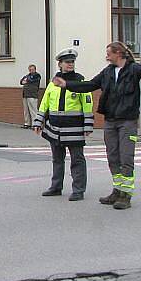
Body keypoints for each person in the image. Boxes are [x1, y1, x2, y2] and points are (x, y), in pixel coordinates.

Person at [53, 41, 141, 210]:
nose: (106, 56)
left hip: (127, 121)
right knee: (113, 157)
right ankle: (117, 191)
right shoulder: (108, 72)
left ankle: (125, 196)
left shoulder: (132, 69)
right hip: (110, 121)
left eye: (109, 53)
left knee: (126, 158)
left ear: (118, 54)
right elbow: (90, 85)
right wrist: (67, 85)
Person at [33, 49, 94, 201]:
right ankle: (56, 187)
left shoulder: (80, 81)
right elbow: (45, 103)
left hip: (74, 128)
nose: (70, 64)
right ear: (60, 64)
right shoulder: (53, 83)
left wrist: (88, 125)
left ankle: (78, 190)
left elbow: (87, 103)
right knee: (57, 159)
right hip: (55, 128)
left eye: (72, 62)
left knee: (77, 160)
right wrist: (38, 121)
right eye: (67, 62)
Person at [19, 64, 42, 129]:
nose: (31, 71)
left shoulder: (37, 75)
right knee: (26, 110)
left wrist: (26, 81)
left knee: (33, 110)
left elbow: (31, 80)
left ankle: (35, 124)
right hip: (25, 95)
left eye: (32, 69)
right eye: (30, 69)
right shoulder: (27, 75)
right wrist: (25, 80)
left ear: (35, 69)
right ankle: (27, 123)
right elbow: (21, 81)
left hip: (32, 95)